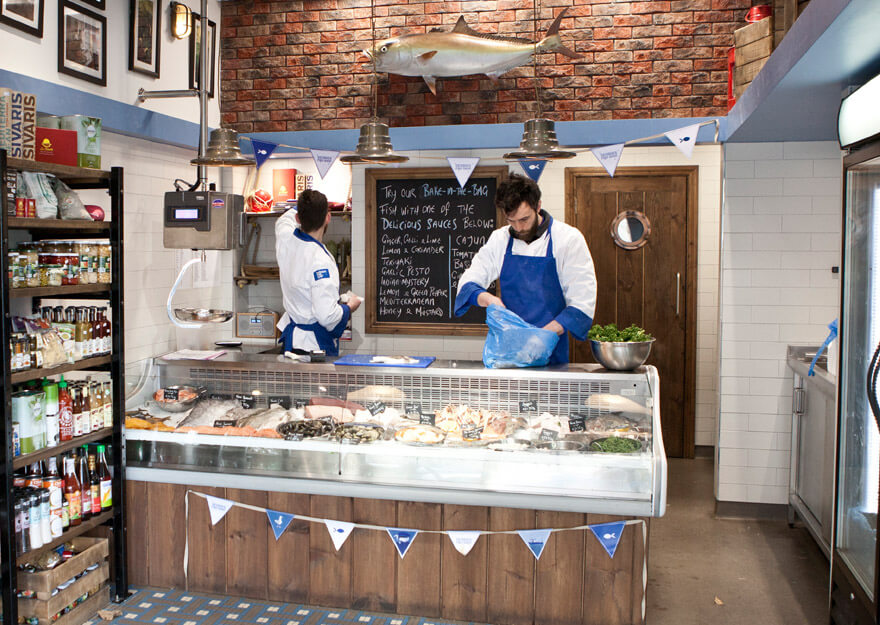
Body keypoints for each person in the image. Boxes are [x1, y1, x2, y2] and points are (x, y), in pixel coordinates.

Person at [454, 173, 597, 364]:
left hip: (550, 352)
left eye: (524, 219)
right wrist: (489, 299)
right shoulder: (500, 239)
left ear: (538, 206)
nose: (518, 228)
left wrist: (543, 337)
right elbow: (468, 283)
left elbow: (582, 303)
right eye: (511, 221)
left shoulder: (568, 239)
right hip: (507, 354)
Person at [275, 189, 361, 356]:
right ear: (328, 217)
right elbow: (327, 316)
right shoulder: (320, 260)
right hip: (313, 348)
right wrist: (350, 307)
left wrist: (305, 206)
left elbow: (283, 221)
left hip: (291, 343)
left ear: (298, 218)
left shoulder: (285, 239)